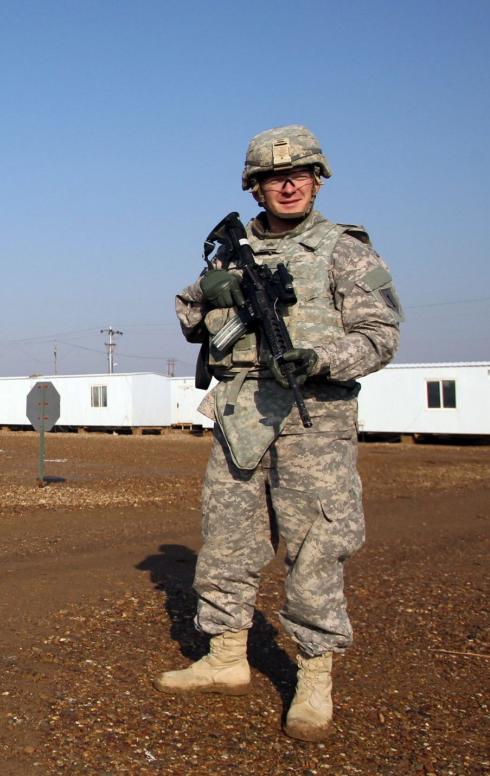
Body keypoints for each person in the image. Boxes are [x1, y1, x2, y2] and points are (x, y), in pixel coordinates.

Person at [156, 125, 402, 742]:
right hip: (241, 417)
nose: (287, 185)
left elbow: (380, 335)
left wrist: (321, 359)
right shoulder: (230, 251)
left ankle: (314, 678)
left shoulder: (345, 250)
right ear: (255, 187)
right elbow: (190, 315)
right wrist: (214, 296)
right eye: (273, 177)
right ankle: (227, 657)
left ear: (317, 180)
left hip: (312, 421)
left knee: (316, 547)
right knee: (227, 542)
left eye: (299, 175)